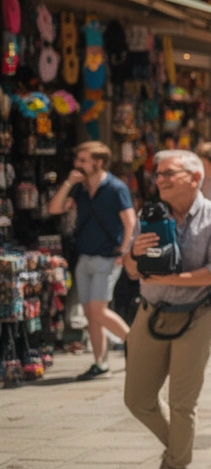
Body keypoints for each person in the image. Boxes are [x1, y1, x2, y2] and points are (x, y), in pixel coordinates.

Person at [121, 150, 211, 469]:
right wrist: (134, 254)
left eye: (169, 173)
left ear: (195, 178)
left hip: (197, 315)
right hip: (151, 311)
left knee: (181, 403)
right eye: (158, 175)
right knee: (137, 399)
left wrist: (171, 276)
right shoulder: (149, 216)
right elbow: (129, 270)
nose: (160, 179)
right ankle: (178, 450)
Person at [47, 141, 136, 380]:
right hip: (84, 256)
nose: (78, 164)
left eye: (83, 160)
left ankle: (137, 345)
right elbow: (55, 208)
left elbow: (130, 221)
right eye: (78, 160)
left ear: (99, 162)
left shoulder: (116, 187)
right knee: (90, 313)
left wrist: (123, 250)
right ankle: (100, 363)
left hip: (108, 257)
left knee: (98, 310)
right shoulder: (80, 188)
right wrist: (68, 183)